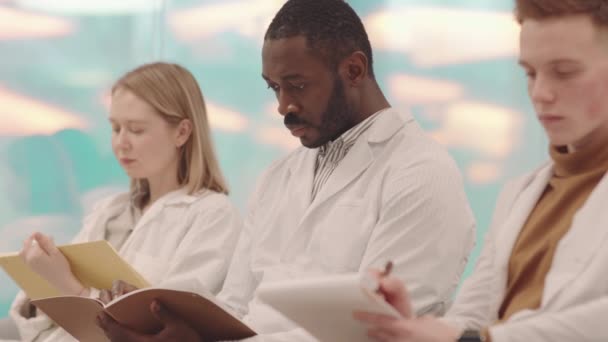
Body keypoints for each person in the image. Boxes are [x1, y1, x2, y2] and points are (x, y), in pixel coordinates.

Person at [97, 1, 475, 341]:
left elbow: (376, 330)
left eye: (297, 85)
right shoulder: (278, 176)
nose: (283, 105)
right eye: (274, 88)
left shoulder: (421, 173)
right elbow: (235, 306)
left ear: (354, 70)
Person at [354, 1, 608, 341]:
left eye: (564, 72)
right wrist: (409, 326)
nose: (540, 93)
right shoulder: (520, 195)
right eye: (530, 73)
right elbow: (472, 316)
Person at [7, 62, 243, 342]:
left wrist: (65, 284)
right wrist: (42, 279)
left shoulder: (212, 216)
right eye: (116, 128)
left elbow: (161, 331)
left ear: (182, 132)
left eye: (136, 129)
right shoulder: (108, 211)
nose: (121, 143)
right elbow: (43, 326)